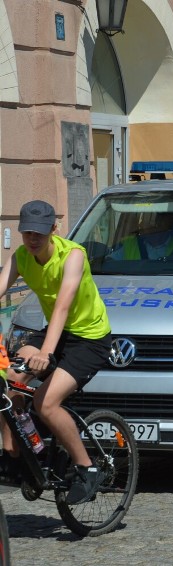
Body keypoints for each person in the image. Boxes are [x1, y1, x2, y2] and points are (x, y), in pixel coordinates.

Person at [0, 201, 112, 504]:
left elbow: (63, 304)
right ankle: (15, 452)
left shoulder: (72, 255)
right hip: (56, 331)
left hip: (89, 338)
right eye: (27, 233)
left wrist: (46, 353)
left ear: (53, 229)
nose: (33, 239)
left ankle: (88, 468)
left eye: (39, 233)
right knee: (10, 378)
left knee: (46, 401)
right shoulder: (22, 256)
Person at [109, 211, 173, 260]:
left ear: (171, 222)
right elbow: (109, 262)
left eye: (159, 218)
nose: (153, 223)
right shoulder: (129, 243)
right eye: (149, 218)